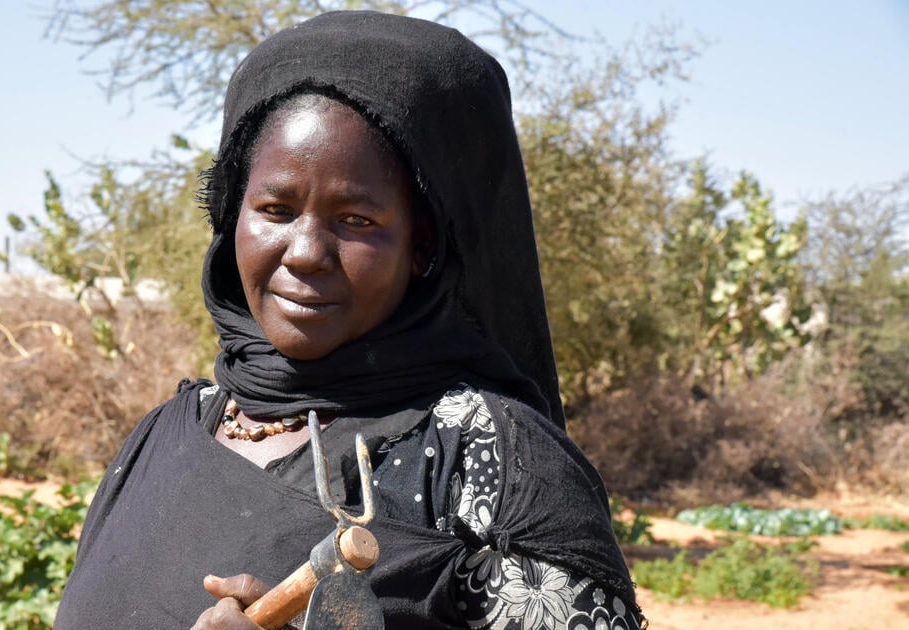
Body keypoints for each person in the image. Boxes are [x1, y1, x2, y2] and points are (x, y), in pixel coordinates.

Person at [55, 10, 641, 630]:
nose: (306, 252)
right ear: (234, 219)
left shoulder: (485, 454)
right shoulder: (170, 432)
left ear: (422, 246)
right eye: (275, 209)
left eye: (357, 220)